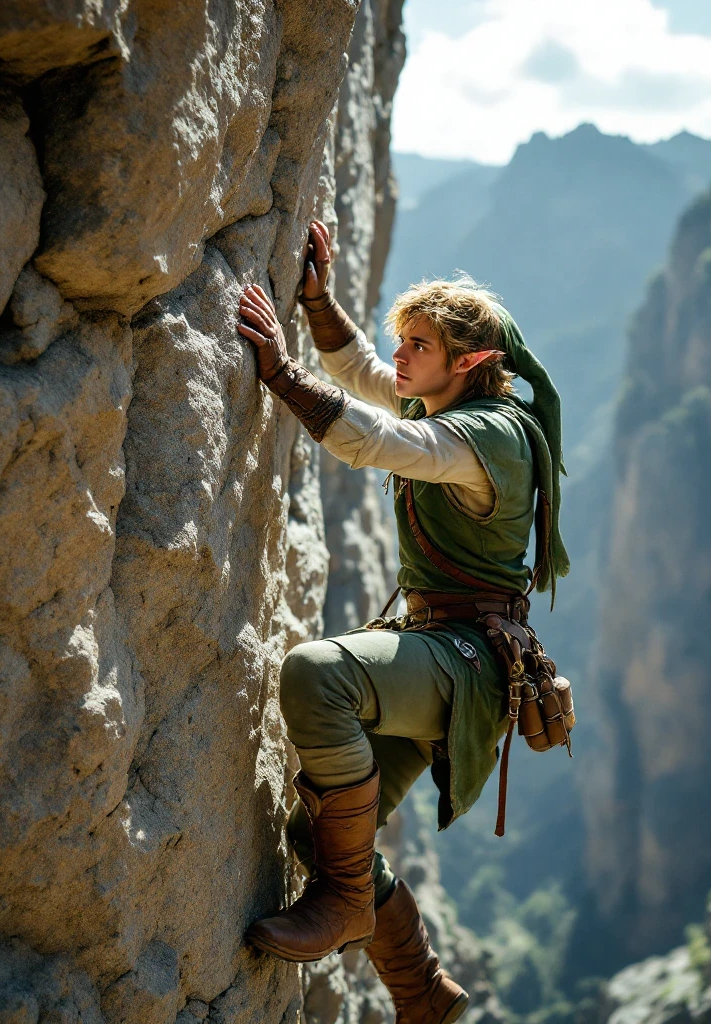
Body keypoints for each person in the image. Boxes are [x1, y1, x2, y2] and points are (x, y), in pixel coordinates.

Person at [235, 220, 568, 1024]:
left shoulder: (485, 437)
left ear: (471, 362)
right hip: (446, 660)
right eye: (407, 340)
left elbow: (374, 437)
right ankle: (422, 993)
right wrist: (317, 301)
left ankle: (348, 904)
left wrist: (278, 372)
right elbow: (366, 377)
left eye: (421, 344)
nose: (406, 356)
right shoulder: (452, 402)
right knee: (322, 836)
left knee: (319, 672)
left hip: (465, 663)